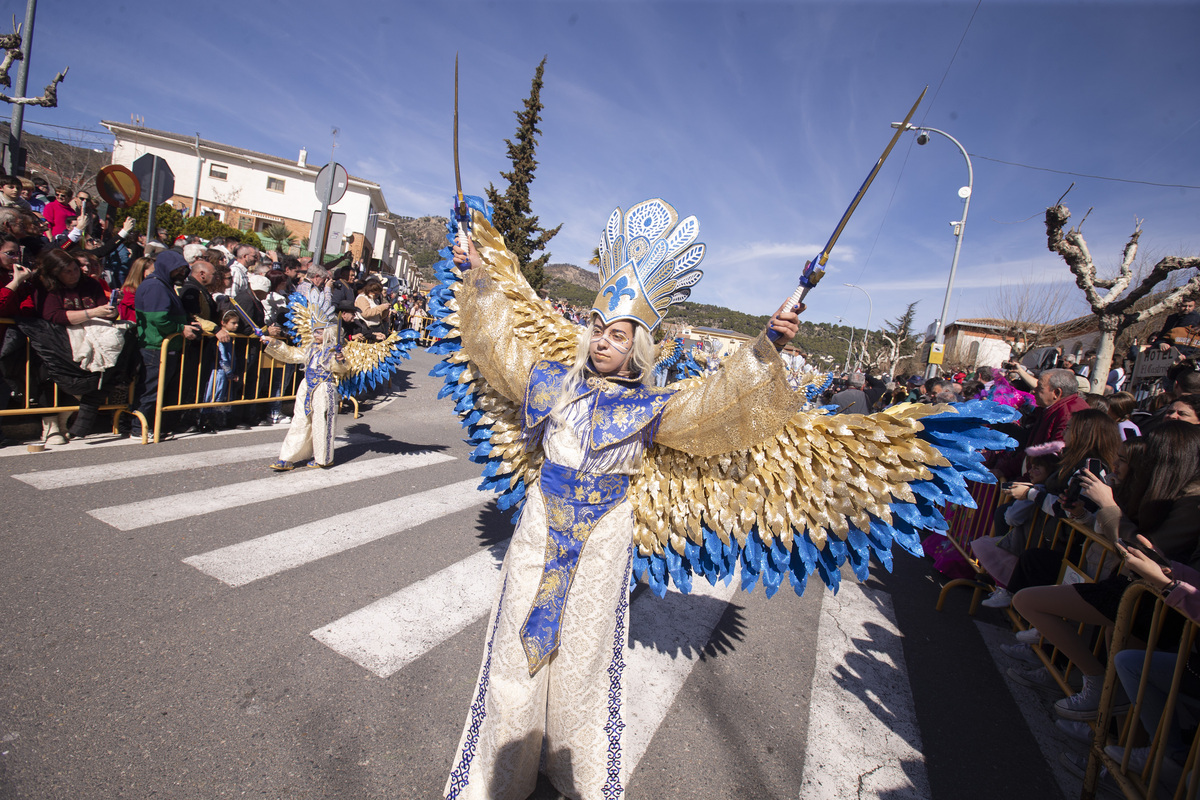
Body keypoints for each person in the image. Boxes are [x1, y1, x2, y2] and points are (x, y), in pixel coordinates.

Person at [442, 199, 801, 800]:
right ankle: (501, 776)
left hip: (605, 532)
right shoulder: (550, 382)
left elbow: (716, 401)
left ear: (638, 347)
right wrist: (475, 275)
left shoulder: (654, 408)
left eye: (617, 335)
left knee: (582, 655)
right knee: (515, 646)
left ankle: (571, 772)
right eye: (598, 330)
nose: (603, 343)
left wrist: (767, 345)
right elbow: (499, 344)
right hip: (541, 524)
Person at [1011, 421, 1200, 720]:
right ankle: (1100, 711)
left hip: (1155, 598)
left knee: (1126, 670)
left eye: (1148, 453)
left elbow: (1145, 549)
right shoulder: (1162, 489)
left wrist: (1108, 505)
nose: (1132, 461)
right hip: (1134, 589)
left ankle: (1101, 705)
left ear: (1170, 457)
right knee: (1120, 662)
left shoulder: (1192, 501)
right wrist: (1088, 512)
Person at [261, 302, 350, 470]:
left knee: (321, 423)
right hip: (306, 388)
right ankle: (287, 457)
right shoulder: (310, 349)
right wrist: (272, 341)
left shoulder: (333, 351)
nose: (316, 334)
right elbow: (292, 354)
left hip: (324, 389)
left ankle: (323, 457)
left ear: (328, 332)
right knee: (299, 421)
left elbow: (343, 368)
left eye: (320, 331)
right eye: (315, 331)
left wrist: (340, 359)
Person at [133, 251, 199, 439]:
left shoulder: (165, 286)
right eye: (177, 269)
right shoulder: (155, 286)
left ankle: (151, 425)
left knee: (159, 389)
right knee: (150, 389)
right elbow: (158, 319)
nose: (181, 273)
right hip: (155, 347)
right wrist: (180, 328)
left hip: (166, 347)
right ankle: (139, 428)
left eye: (182, 269)